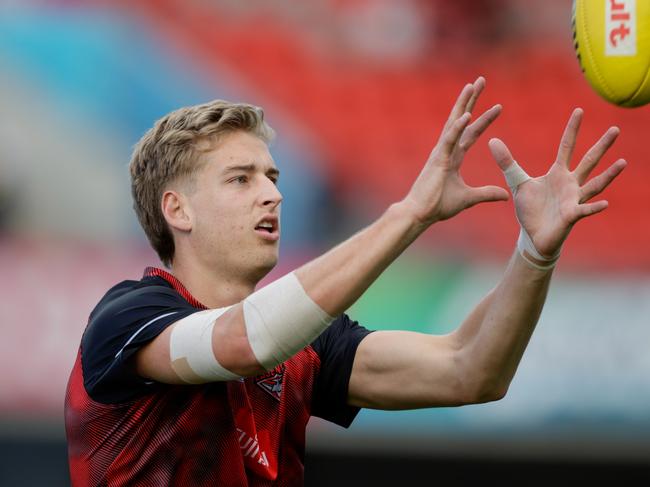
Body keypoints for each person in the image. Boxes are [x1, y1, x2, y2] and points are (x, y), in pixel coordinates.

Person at [64, 77, 626, 486]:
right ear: (177, 210)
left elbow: (470, 369)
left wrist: (535, 252)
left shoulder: (304, 345)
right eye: (240, 179)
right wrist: (410, 215)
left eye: (273, 176)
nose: (272, 194)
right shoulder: (126, 320)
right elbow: (242, 344)